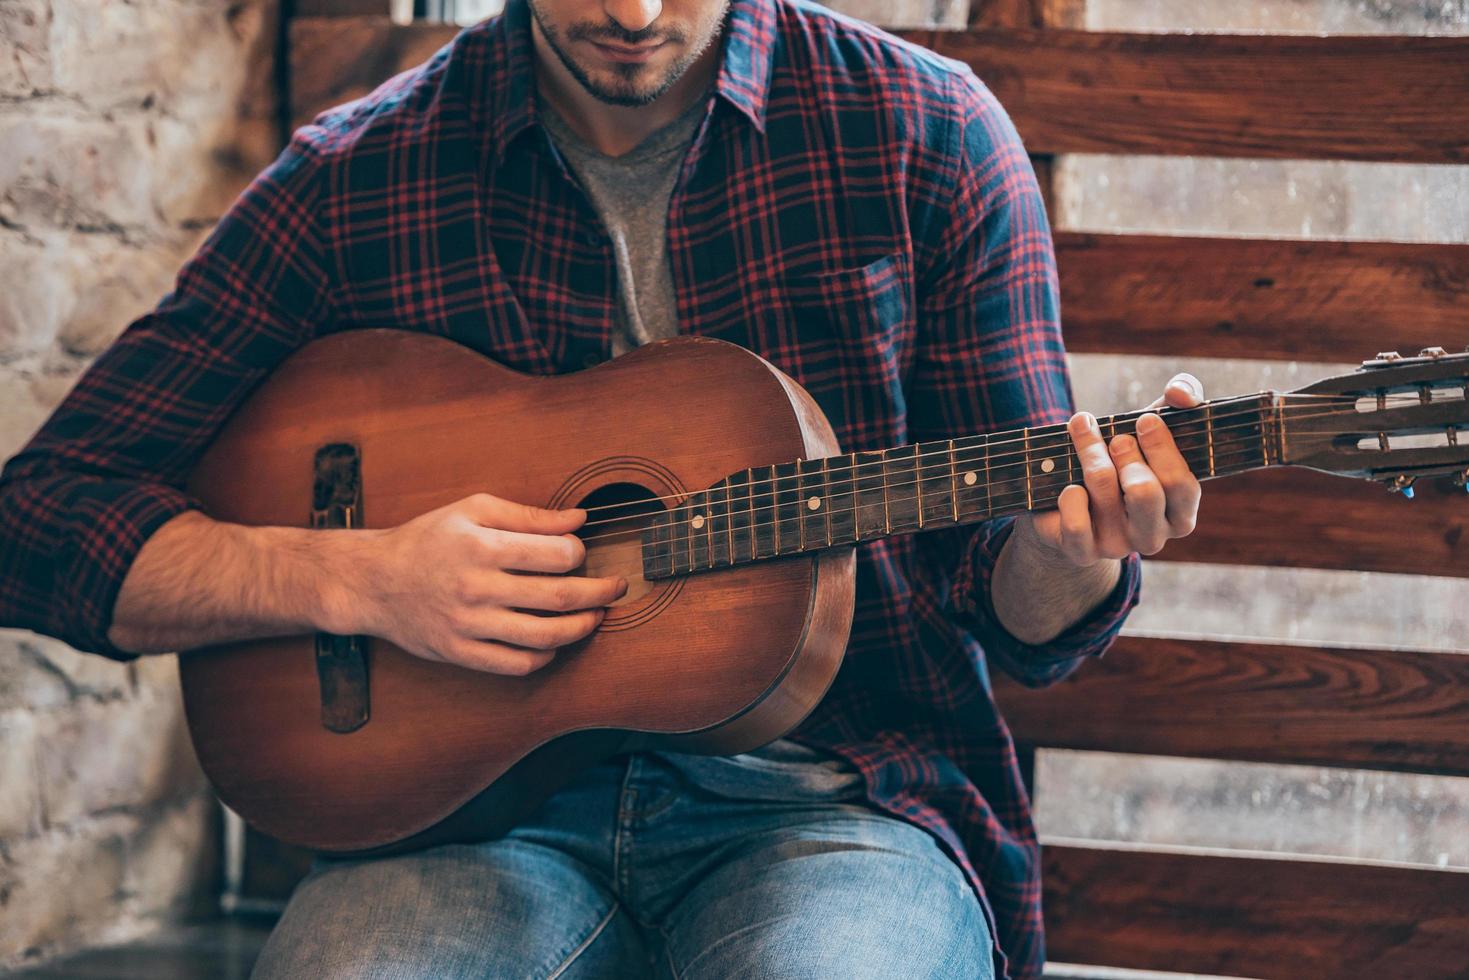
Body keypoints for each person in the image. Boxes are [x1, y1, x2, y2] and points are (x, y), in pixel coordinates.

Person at [0, 0, 1204, 975]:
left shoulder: (925, 134)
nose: (632, 14)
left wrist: (1073, 548)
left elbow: (1018, 613)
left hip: (842, 804)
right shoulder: (357, 174)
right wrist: (363, 579)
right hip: (466, 821)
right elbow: (38, 520)